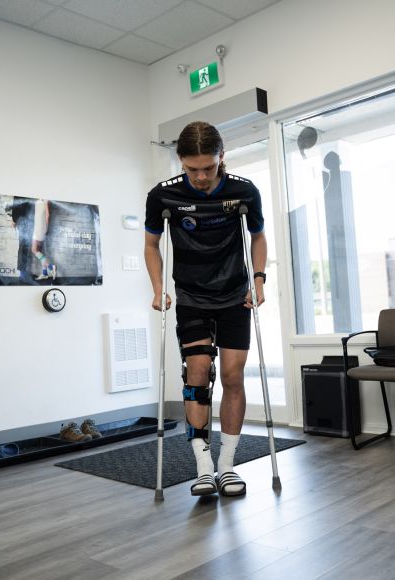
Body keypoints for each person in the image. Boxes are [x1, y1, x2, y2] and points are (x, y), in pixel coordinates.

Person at [144, 121, 267, 497]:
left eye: (209, 168)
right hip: (192, 298)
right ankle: (203, 466)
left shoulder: (244, 191)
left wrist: (259, 280)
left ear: (222, 157)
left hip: (234, 296)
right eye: (191, 168)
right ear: (180, 161)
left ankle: (227, 465)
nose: (200, 177)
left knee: (232, 377)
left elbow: (258, 236)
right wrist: (159, 289)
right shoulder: (162, 196)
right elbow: (151, 245)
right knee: (196, 373)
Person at [31, 199, 57, 281]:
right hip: (37, 227)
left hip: (40, 227)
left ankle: (51, 267)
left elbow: (47, 215)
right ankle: (45, 273)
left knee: (34, 250)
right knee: (39, 251)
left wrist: (46, 228)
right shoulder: (39, 199)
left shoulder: (45, 199)